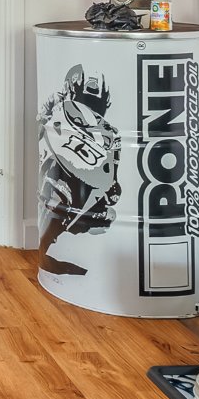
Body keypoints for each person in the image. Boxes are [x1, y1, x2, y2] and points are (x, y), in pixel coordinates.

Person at [38, 65, 122, 278]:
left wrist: (113, 183)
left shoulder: (109, 133)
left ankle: (88, 262)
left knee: (104, 210)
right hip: (56, 158)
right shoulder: (55, 104)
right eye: (85, 102)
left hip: (85, 173)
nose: (90, 110)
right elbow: (41, 123)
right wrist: (45, 120)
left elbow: (114, 164)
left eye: (96, 104)